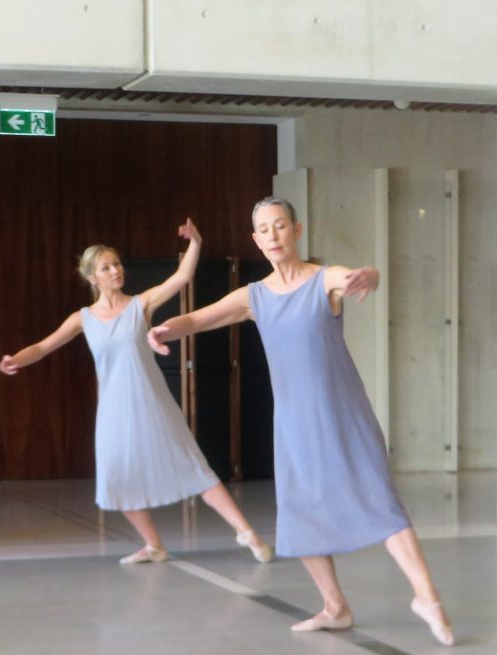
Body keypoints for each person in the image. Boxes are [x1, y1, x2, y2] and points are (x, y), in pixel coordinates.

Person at [147, 198, 454, 646]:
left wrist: (370, 275)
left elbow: (352, 275)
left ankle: (427, 597)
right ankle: (335, 607)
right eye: (263, 230)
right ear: (256, 240)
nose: (272, 236)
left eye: (280, 226)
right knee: (301, 513)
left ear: (297, 229)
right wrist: (164, 330)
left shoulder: (322, 281)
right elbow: (196, 318)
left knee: (382, 502)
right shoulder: (254, 297)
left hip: (345, 415)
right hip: (294, 424)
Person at [0, 219, 273, 566]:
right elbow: (43, 346)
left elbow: (181, 278)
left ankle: (248, 533)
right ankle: (153, 544)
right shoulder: (82, 318)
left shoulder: (140, 305)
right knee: (117, 477)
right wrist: (15, 360)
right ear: (92, 278)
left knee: (195, 467)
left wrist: (197, 242)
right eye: (106, 267)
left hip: (152, 404)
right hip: (113, 411)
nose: (115, 271)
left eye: (117, 264)